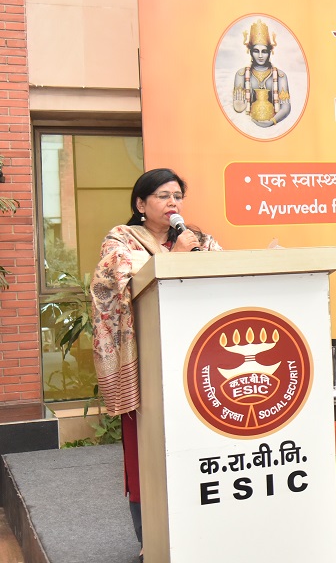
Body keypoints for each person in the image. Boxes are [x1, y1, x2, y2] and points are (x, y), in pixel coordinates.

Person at [91, 169, 221, 559]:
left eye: (177, 196)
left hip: (197, 358)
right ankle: (150, 539)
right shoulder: (121, 240)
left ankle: (205, 530)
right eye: (163, 196)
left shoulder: (198, 240)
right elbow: (119, 288)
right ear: (140, 204)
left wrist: (190, 252)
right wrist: (175, 256)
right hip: (147, 360)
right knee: (146, 453)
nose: (172, 203)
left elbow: (223, 276)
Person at [232, 19, 291, 127]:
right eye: (256, 51)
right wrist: (239, 107)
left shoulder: (280, 76)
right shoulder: (241, 74)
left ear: (270, 52)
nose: (260, 56)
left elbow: (286, 107)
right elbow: (238, 108)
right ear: (250, 51)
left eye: (264, 51)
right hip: (248, 126)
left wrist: (272, 121)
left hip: (273, 127)